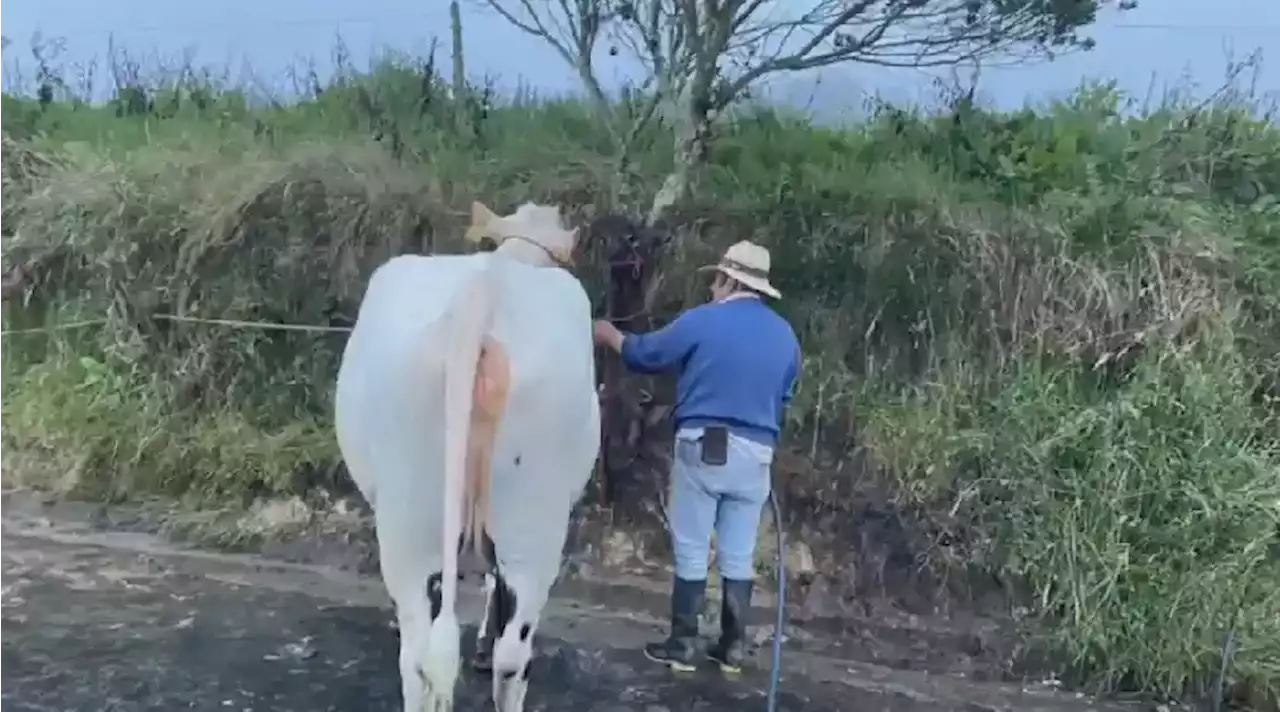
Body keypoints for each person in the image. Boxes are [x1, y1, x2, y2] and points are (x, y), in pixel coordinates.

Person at [592, 240, 801, 674]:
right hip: (757, 454)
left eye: (715, 278)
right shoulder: (786, 336)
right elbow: (785, 393)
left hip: (705, 445)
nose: (710, 286)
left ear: (729, 280)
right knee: (738, 552)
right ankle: (733, 647)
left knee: (691, 547)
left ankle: (684, 644)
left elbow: (646, 354)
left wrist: (610, 334)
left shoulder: (704, 320)